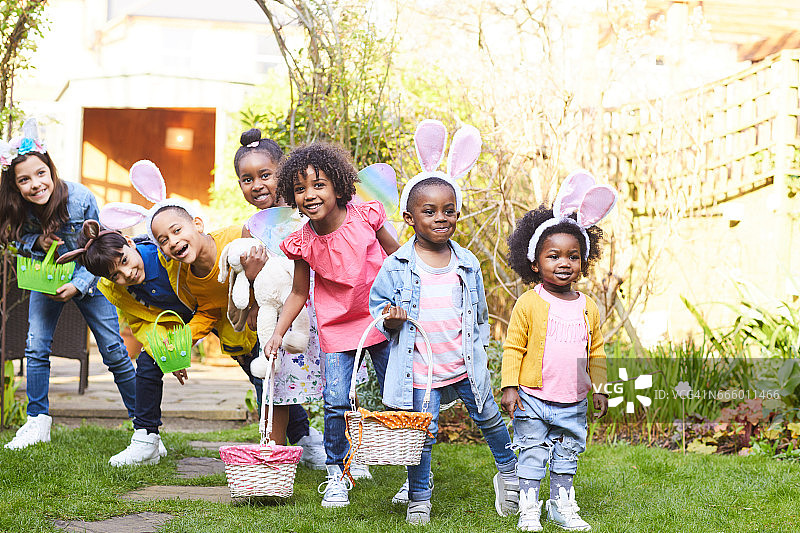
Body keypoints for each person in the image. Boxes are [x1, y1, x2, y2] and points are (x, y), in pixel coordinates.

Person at [370, 175, 519, 525]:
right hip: (420, 370)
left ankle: (510, 472)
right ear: (410, 219)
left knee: (489, 418)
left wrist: (480, 352)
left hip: (464, 364)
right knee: (421, 436)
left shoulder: (467, 263)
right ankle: (419, 497)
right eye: (430, 211)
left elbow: (480, 315)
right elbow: (378, 311)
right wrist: (390, 320)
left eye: (449, 211)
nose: (441, 217)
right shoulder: (396, 266)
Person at [263, 142, 400, 508]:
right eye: (300, 188)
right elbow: (296, 291)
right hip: (337, 328)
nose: (309, 194)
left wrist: (406, 300)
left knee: (399, 397)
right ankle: (337, 472)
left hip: (382, 320)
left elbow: (398, 257)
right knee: (336, 400)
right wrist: (278, 333)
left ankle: (413, 474)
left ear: (339, 186)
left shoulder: (365, 217)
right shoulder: (303, 242)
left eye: (318, 184)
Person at [0, 120, 136, 450]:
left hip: (89, 278)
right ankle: (37, 422)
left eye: (40, 174)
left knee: (114, 351)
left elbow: (103, 246)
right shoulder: (17, 208)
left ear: (51, 170)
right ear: (16, 186)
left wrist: (79, 284)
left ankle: (145, 425)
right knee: (36, 346)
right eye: (24, 180)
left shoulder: (79, 198)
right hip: (46, 282)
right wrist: (37, 241)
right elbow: (13, 241)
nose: (35, 184)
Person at [500, 170, 615, 531]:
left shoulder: (588, 306)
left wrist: (599, 388)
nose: (564, 263)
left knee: (566, 455)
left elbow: (595, 352)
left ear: (583, 261)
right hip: (533, 397)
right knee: (532, 453)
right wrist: (510, 386)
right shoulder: (528, 303)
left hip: (573, 400)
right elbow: (513, 346)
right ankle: (530, 507)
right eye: (554, 256)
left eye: (573, 256)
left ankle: (562, 505)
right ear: (535, 262)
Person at [57, 220, 192, 465]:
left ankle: (280, 435)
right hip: (172, 323)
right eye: (115, 275)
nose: (126, 274)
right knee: (148, 362)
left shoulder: (164, 254)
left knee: (253, 360)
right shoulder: (120, 289)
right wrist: (170, 353)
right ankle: (146, 438)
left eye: (125, 261)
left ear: (129, 243)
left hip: (209, 310)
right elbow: (140, 322)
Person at [232, 128, 325, 468]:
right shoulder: (251, 227)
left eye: (265, 175)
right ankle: (272, 459)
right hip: (277, 322)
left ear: (282, 172)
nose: (256, 185)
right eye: (247, 179)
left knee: (335, 386)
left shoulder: (305, 212)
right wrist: (255, 303)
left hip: (315, 311)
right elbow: (247, 277)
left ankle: (345, 457)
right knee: (277, 388)